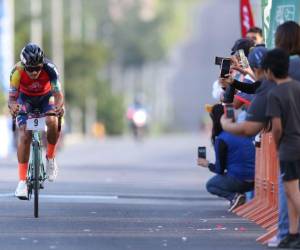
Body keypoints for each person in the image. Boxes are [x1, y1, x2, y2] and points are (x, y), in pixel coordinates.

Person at [8, 43, 64, 199]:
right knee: (25, 133)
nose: (34, 72)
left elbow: (58, 95)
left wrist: (58, 107)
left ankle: (51, 158)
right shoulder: (17, 71)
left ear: (42, 64)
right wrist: (13, 107)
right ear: (24, 65)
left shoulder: (50, 69)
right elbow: (12, 98)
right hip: (25, 100)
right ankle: (21, 183)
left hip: (46, 98)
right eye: (30, 69)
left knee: (52, 121)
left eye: (37, 68)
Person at [265, 48, 300, 248]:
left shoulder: (275, 93)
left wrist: (278, 145)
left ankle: (294, 232)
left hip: (288, 147)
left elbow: (276, 127)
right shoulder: (297, 86)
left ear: (269, 71)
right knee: (291, 193)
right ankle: (293, 233)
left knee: (292, 193)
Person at [198, 104, 255, 212]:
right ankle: (239, 198)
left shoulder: (222, 139)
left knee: (211, 185)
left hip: (240, 180)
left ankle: (234, 197)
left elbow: (220, 169)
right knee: (233, 171)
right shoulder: (242, 132)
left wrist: (207, 164)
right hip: (256, 180)